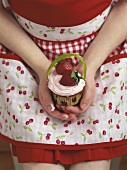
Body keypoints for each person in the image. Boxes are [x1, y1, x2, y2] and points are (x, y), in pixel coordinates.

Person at [0, 0, 127, 169]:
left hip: (101, 45)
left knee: (93, 165)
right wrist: (43, 68)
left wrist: (89, 67)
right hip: (25, 50)